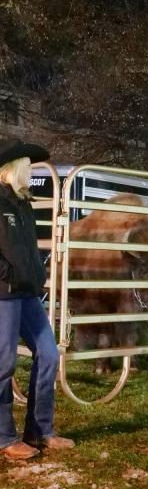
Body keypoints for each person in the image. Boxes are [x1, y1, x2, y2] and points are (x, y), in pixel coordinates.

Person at [0, 139, 75, 459]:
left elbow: (29, 250)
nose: (32, 171)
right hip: (3, 294)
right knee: (3, 364)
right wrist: (8, 275)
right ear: (12, 170)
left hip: (28, 292)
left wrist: (37, 274)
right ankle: (4, 437)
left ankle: (40, 429)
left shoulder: (23, 203)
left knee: (48, 353)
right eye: (28, 166)